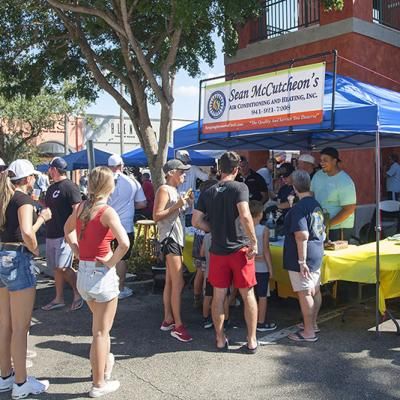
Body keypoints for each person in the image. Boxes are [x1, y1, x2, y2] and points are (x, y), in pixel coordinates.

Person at [64, 166, 129, 398]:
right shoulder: (107, 211)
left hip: (84, 274)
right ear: (109, 186)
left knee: (101, 330)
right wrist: (111, 262)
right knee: (101, 332)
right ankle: (99, 382)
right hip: (100, 275)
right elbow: (124, 244)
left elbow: (67, 229)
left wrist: (77, 250)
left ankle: (103, 366)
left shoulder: (81, 207)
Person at [192, 151, 258, 353]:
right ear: (237, 169)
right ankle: (252, 340)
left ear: (220, 169)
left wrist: (212, 228)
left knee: (218, 296)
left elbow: (195, 221)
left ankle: (220, 339)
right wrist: (254, 241)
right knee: (248, 295)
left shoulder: (208, 191)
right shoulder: (240, 187)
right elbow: (246, 216)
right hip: (240, 249)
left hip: (218, 251)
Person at [0, 159, 52, 398]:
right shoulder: (24, 200)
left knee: (5, 324)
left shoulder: (5, 197)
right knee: (21, 327)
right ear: (28, 179)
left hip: (2, 256)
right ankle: (21, 383)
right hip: (17, 258)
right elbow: (27, 232)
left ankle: (6, 376)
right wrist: (42, 220)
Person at [153, 159, 193, 342]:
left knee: (171, 282)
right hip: (170, 240)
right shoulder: (164, 189)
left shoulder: (174, 190)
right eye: (181, 171)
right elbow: (156, 215)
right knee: (178, 282)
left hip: (174, 239)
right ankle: (177, 325)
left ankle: (168, 319)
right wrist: (176, 206)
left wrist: (184, 204)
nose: (184, 174)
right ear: (171, 173)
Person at [283, 170, 324, 342]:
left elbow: (301, 235)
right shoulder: (316, 204)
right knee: (315, 289)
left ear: (294, 187)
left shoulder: (299, 208)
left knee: (305, 293)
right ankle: (312, 324)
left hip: (304, 256)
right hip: (317, 251)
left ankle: (308, 332)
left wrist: (301, 261)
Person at [41, 157, 83, 312]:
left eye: (50, 169)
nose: (49, 171)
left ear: (54, 169)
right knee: (56, 268)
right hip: (51, 233)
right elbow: (49, 207)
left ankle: (78, 293)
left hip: (64, 234)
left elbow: (77, 210)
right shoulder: (52, 188)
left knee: (63, 267)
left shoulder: (70, 186)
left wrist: (72, 232)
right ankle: (58, 298)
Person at [107, 154, 146, 300]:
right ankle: (120, 288)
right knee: (122, 258)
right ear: (122, 166)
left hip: (104, 223)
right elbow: (142, 203)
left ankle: (104, 285)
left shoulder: (103, 179)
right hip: (124, 224)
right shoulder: (132, 182)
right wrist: (128, 206)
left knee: (104, 254)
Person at [311, 147, 356, 241]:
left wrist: (328, 224)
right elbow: (311, 195)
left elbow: (349, 209)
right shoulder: (318, 175)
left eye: (325, 160)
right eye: (321, 160)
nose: (321, 163)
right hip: (319, 226)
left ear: (334, 161)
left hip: (339, 229)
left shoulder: (345, 181)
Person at [249, 200, 277, 332]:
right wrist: (271, 268)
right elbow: (266, 250)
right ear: (260, 215)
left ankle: (250, 319)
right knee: (263, 295)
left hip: (248, 265)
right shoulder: (264, 229)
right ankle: (260, 321)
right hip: (261, 267)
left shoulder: (244, 228)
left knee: (249, 294)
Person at [200, 232, 230, 330]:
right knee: (224, 297)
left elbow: (202, 253)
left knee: (208, 296)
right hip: (222, 271)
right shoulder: (224, 236)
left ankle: (206, 319)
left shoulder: (206, 237)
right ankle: (225, 320)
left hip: (209, 271)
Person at [176, 150, 208, 227]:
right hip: (179, 205)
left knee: (187, 232)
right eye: (183, 161)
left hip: (187, 205)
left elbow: (206, 178)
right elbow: (206, 178)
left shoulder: (193, 168)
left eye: (185, 161)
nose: (185, 163)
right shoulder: (191, 168)